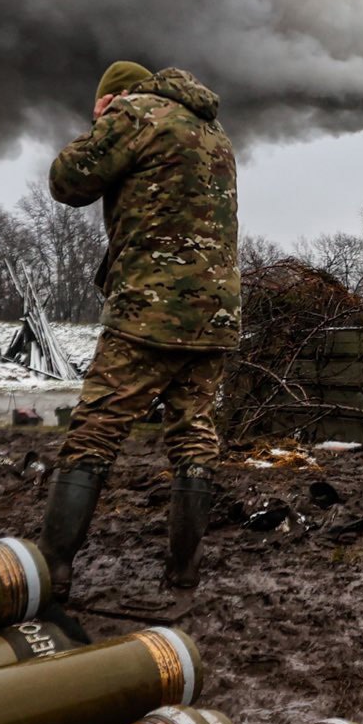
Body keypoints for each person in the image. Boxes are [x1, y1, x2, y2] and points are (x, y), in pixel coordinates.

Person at [40, 61, 239, 594]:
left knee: (96, 431)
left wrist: (107, 118)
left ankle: (53, 569)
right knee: (194, 437)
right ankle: (183, 571)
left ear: (118, 94)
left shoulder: (135, 114)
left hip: (152, 308)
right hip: (215, 314)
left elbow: (67, 181)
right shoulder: (212, 129)